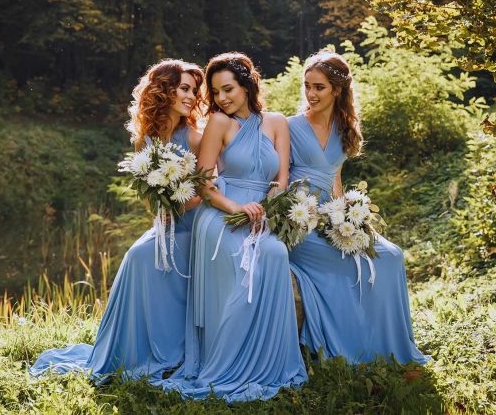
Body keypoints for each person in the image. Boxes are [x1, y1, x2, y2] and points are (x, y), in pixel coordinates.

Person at [29, 59, 205, 382]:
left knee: (139, 256)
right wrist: (162, 206)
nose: (192, 96)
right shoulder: (147, 140)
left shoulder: (194, 138)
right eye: (184, 88)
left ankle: (172, 348)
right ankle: (132, 348)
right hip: (164, 226)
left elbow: (211, 188)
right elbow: (149, 194)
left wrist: (180, 203)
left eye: (194, 91)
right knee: (135, 258)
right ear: (164, 90)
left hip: (193, 226)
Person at [159, 52, 307, 402]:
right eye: (216, 92)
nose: (222, 98)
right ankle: (226, 363)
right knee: (243, 270)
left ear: (247, 85)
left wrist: (266, 212)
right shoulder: (218, 124)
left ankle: (267, 362)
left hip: (262, 215)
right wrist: (236, 207)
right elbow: (205, 185)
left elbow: (282, 180)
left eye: (228, 89)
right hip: (221, 215)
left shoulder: (277, 122)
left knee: (272, 253)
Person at [288, 51, 429, 365]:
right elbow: (279, 179)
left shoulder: (343, 129)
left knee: (390, 256)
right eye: (307, 86)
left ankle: (387, 342)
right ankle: (350, 345)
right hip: (299, 224)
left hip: (332, 219)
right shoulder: (290, 127)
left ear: (337, 90)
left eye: (319, 87)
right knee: (346, 264)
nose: (311, 94)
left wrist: (350, 217)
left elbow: (335, 178)